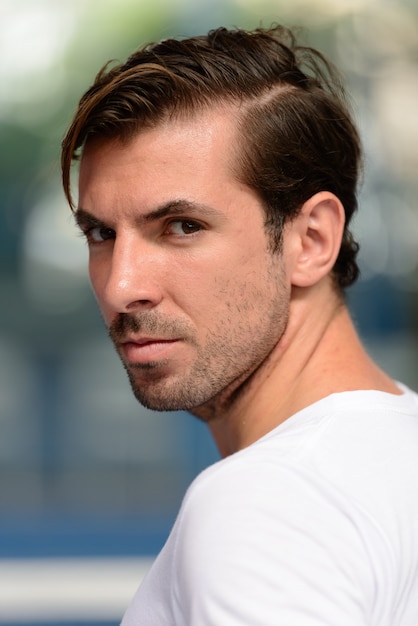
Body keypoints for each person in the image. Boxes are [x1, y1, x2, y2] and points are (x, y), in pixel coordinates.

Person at [61, 24, 418, 625]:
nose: (122, 286)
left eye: (181, 227)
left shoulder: (268, 501)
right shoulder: (395, 448)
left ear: (311, 240)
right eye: (101, 234)